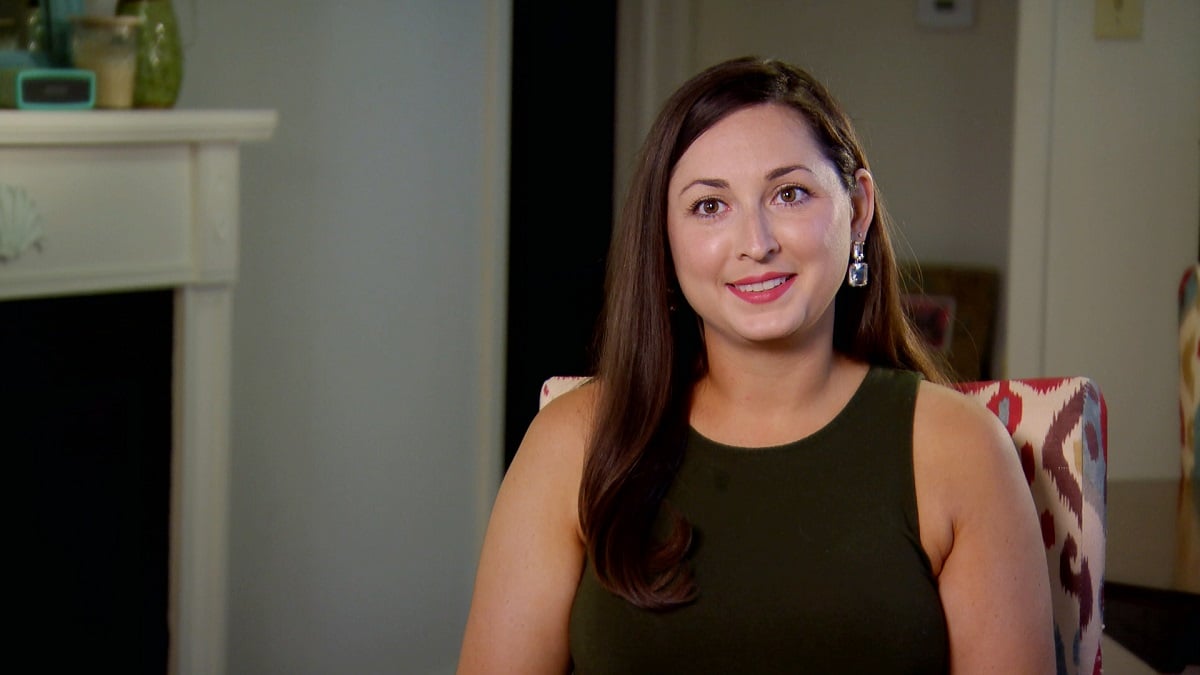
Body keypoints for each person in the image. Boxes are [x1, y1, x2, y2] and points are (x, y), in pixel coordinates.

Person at [457, 56, 1054, 674]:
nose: (756, 243)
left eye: (789, 194)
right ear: (663, 238)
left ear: (858, 208)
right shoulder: (571, 444)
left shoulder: (960, 449)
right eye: (709, 206)